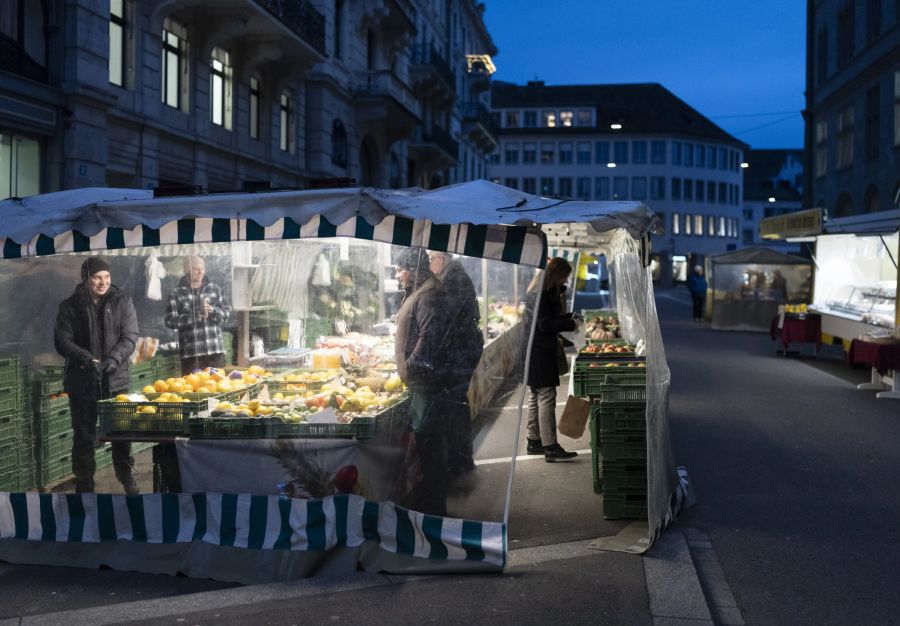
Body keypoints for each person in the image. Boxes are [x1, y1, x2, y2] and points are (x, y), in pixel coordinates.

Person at [54, 257, 139, 494]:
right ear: (86, 279)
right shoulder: (70, 306)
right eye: (97, 277)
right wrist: (85, 358)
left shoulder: (122, 301)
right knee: (83, 436)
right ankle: (85, 486)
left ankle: (126, 478)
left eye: (107, 277)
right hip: (82, 381)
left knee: (121, 433)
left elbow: (130, 336)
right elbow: (62, 341)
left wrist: (114, 359)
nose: (103, 282)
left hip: (116, 379)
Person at [393, 248, 451, 516]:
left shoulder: (428, 294)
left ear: (413, 270)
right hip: (421, 381)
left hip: (426, 383)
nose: (397, 275)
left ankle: (435, 512)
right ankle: (431, 506)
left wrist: (410, 366)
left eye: (400, 270)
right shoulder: (420, 291)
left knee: (430, 446)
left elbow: (429, 336)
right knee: (427, 445)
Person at [427, 251, 483, 476]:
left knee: (455, 405)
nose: (428, 265)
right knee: (457, 403)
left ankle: (459, 459)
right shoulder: (455, 276)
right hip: (464, 347)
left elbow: (448, 320)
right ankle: (461, 457)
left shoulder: (453, 279)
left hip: (461, 349)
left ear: (440, 258)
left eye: (430, 259)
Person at [525, 257, 578, 462]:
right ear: (556, 274)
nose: (565, 280)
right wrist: (570, 325)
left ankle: (534, 441)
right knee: (546, 395)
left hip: (533, 349)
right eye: (564, 276)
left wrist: (569, 317)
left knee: (535, 395)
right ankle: (550, 446)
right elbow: (545, 324)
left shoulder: (539, 291)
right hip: (540, 350)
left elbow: (547, 319)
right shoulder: (542, 294)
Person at [165, 255, 231, 375]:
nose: (200, 272)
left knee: (217, 385)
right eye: (196, 268)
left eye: (202, 268)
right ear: (187, 271)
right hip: (191, 355)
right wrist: (193, 317)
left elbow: (226, 314)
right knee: (193, 386)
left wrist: (212, 310)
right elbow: (170, 321)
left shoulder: (215, 289)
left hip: (215, 352)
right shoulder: (176, 294)